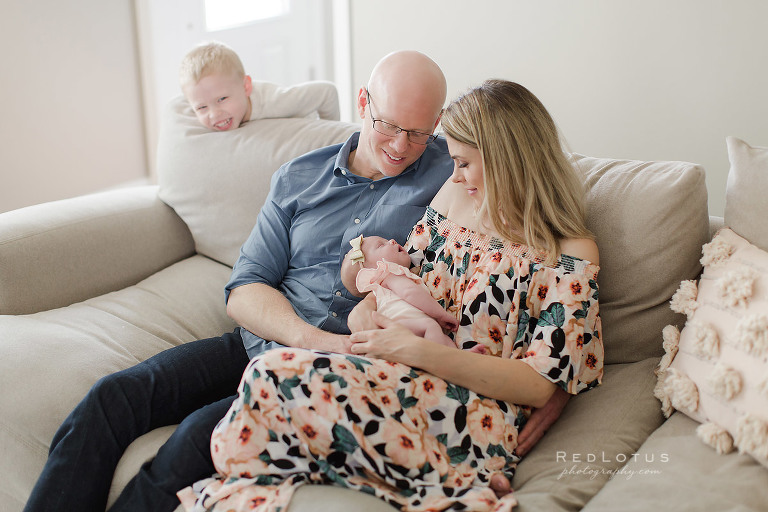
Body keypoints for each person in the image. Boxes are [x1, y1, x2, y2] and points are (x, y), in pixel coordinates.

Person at [24, 50, 462, 512]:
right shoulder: (299, 177)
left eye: (417, 133)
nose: (399, 146)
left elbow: (535, 225)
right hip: (264, 341)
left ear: (437, 123)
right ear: (362, 102)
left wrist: (545, 385)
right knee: (111, 399)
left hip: (327, 378)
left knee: (192, 442)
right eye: (388, 125)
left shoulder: (454, 171)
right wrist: (309, 339)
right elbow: (246, 287)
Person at [176, 79, 604, 512]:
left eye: (464, 163)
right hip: (397, 370)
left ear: (508, 159)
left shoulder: (570, 252)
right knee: (259, 384)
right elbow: (396, 273)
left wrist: (417, 351)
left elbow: (539, 383)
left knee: (266, 379)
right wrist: (366, 309)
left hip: (468, 406)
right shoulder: (457, 196)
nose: (453, 174)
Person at [180, 41, 340, 131]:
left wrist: (335, 138)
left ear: (246, 87)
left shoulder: (277, 101)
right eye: (201, 108)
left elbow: (327, 92)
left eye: (222, 99)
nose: (214, 114)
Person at [340, 234, 463, 350]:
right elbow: (410, 292)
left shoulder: (385, 290)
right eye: (381, 245)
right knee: (431, 326)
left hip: (402, 330)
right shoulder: (390, 276)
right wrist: (441, 315)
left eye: (386, 240)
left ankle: (459, 357)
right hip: (400, 328)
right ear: (373, 271)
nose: (391, 240)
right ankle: (450, 360)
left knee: (440, 336)